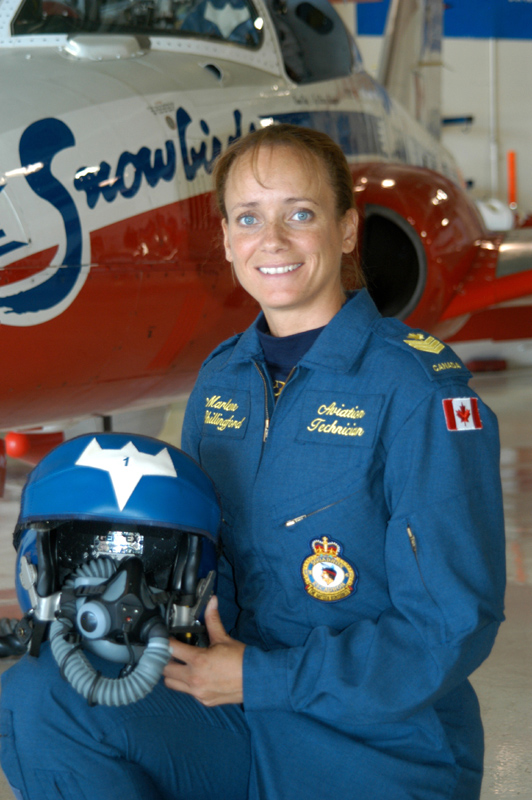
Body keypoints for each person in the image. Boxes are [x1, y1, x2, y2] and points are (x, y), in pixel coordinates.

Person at [0, 123, 506, 800]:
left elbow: (451, 626)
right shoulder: (221, 381)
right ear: (229, 241)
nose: (273, 240)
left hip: (378, 750)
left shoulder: (416, 393)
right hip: (239, 716)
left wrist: (261, 678)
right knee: (41, 696)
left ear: (348, 230)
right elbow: (203, 566)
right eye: (249, 218)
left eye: (300, 214)